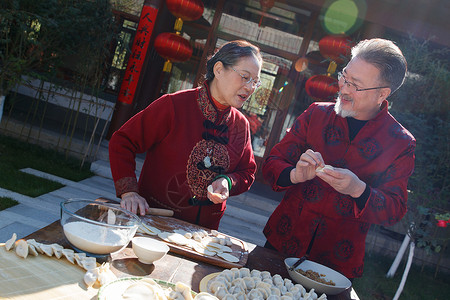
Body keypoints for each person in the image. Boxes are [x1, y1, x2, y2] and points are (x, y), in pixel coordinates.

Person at [262, 38, 416, 279]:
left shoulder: (400, 142)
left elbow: (394, 209)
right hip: (283, 241)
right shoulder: (316, 114)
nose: (343, 88)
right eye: (345, 76)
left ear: (382, 94)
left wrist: (359, 189)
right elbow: (272, 163)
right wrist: (294, 174)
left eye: (355, 85)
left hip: (336, 261)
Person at [109, 40, 262, 230]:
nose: (250, 87)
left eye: (255, 81)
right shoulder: (174, 105)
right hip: (154, 221)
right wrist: (129, 192)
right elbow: (122, 141)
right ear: (219, 69)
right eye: (245, 77)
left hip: (203, 233)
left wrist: (228, 181)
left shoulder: (240, 125)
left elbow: (247, 172)